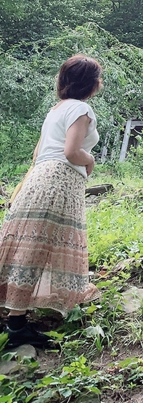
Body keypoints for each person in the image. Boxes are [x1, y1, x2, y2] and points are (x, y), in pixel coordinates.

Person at [0, 54, 103, 347]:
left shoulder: (55, 109)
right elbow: (72, 151)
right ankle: (17, 327)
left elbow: (39, 152)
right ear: (92, 84)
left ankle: (13, 317)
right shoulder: (82, 110)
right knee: (38, 245)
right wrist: (91, 160)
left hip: (38, 177)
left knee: (22, 242)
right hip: (59, 180)